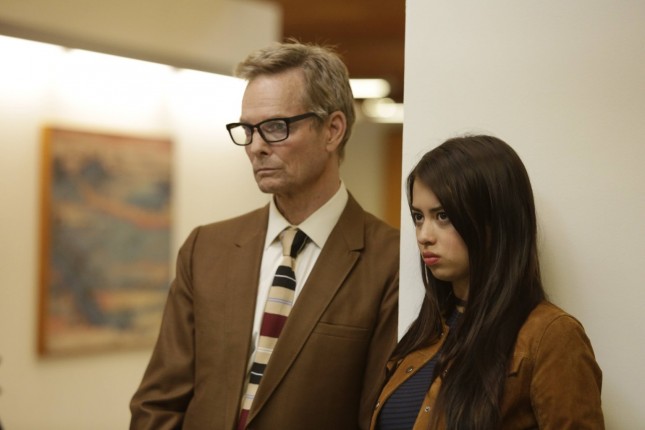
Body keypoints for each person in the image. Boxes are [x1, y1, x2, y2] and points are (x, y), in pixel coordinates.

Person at [130, 40, 399, 430]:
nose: (255, 147)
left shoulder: (391, 260)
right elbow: (159, 403)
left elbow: (379, 417)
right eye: (247, 129)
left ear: (333, 130)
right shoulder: (206, 249)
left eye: (275, 127)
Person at [371, 135, 604, 429]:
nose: (424, 235)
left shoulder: (551, 336)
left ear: (495, 221)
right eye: (418, 216)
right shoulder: (426, 332)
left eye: (443, 216)